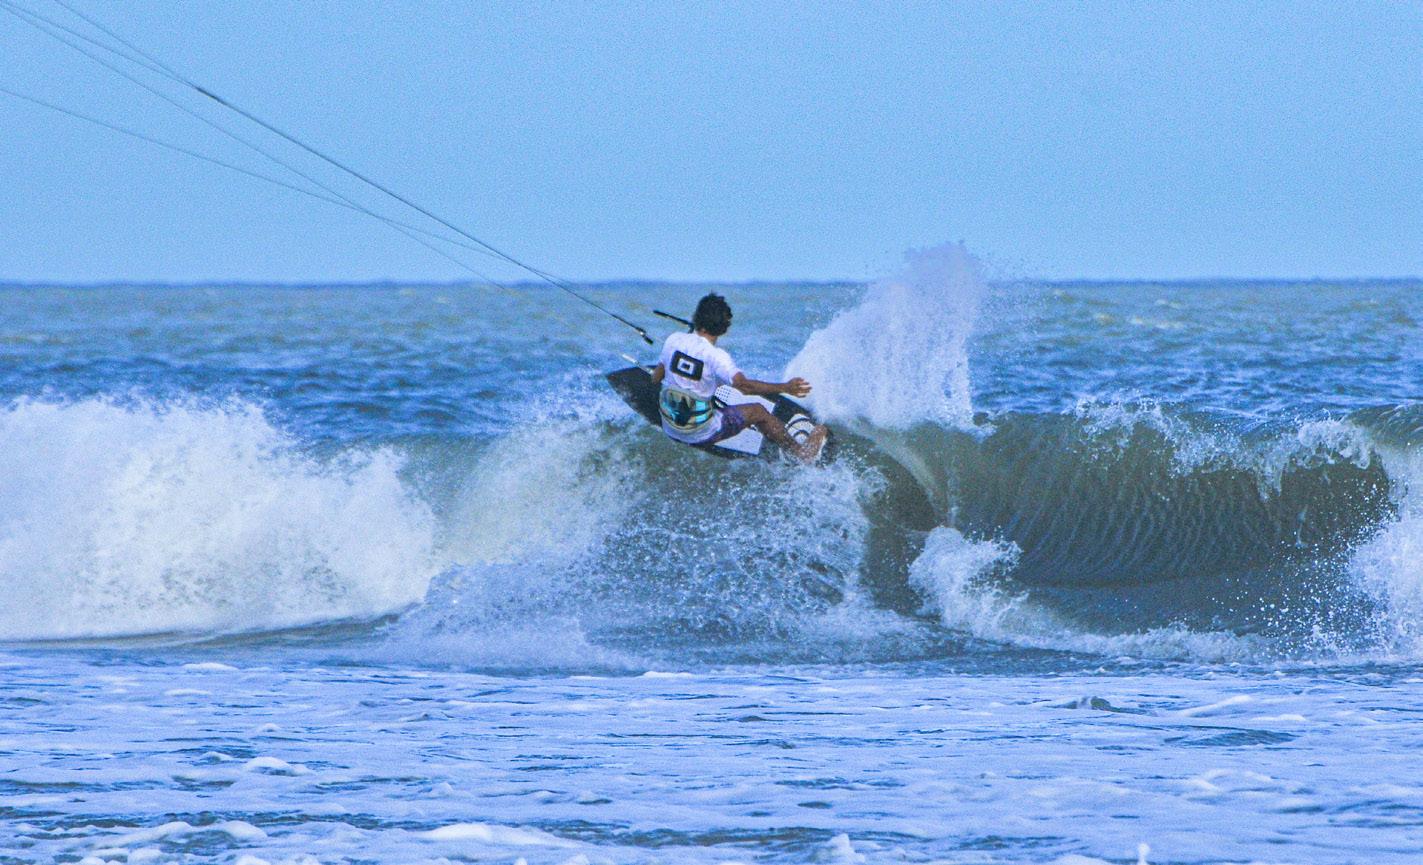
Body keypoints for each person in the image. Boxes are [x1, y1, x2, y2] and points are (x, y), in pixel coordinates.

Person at [649, 293, 828, 462]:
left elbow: (656, 379)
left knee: (705, 389)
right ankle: (801, 453)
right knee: (758, 411)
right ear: (724, 328)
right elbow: (745, 387)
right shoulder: (718, 357)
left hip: (670, 426)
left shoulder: (674, 340)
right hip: (700, 432)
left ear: (696, 318)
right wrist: (785, 387)